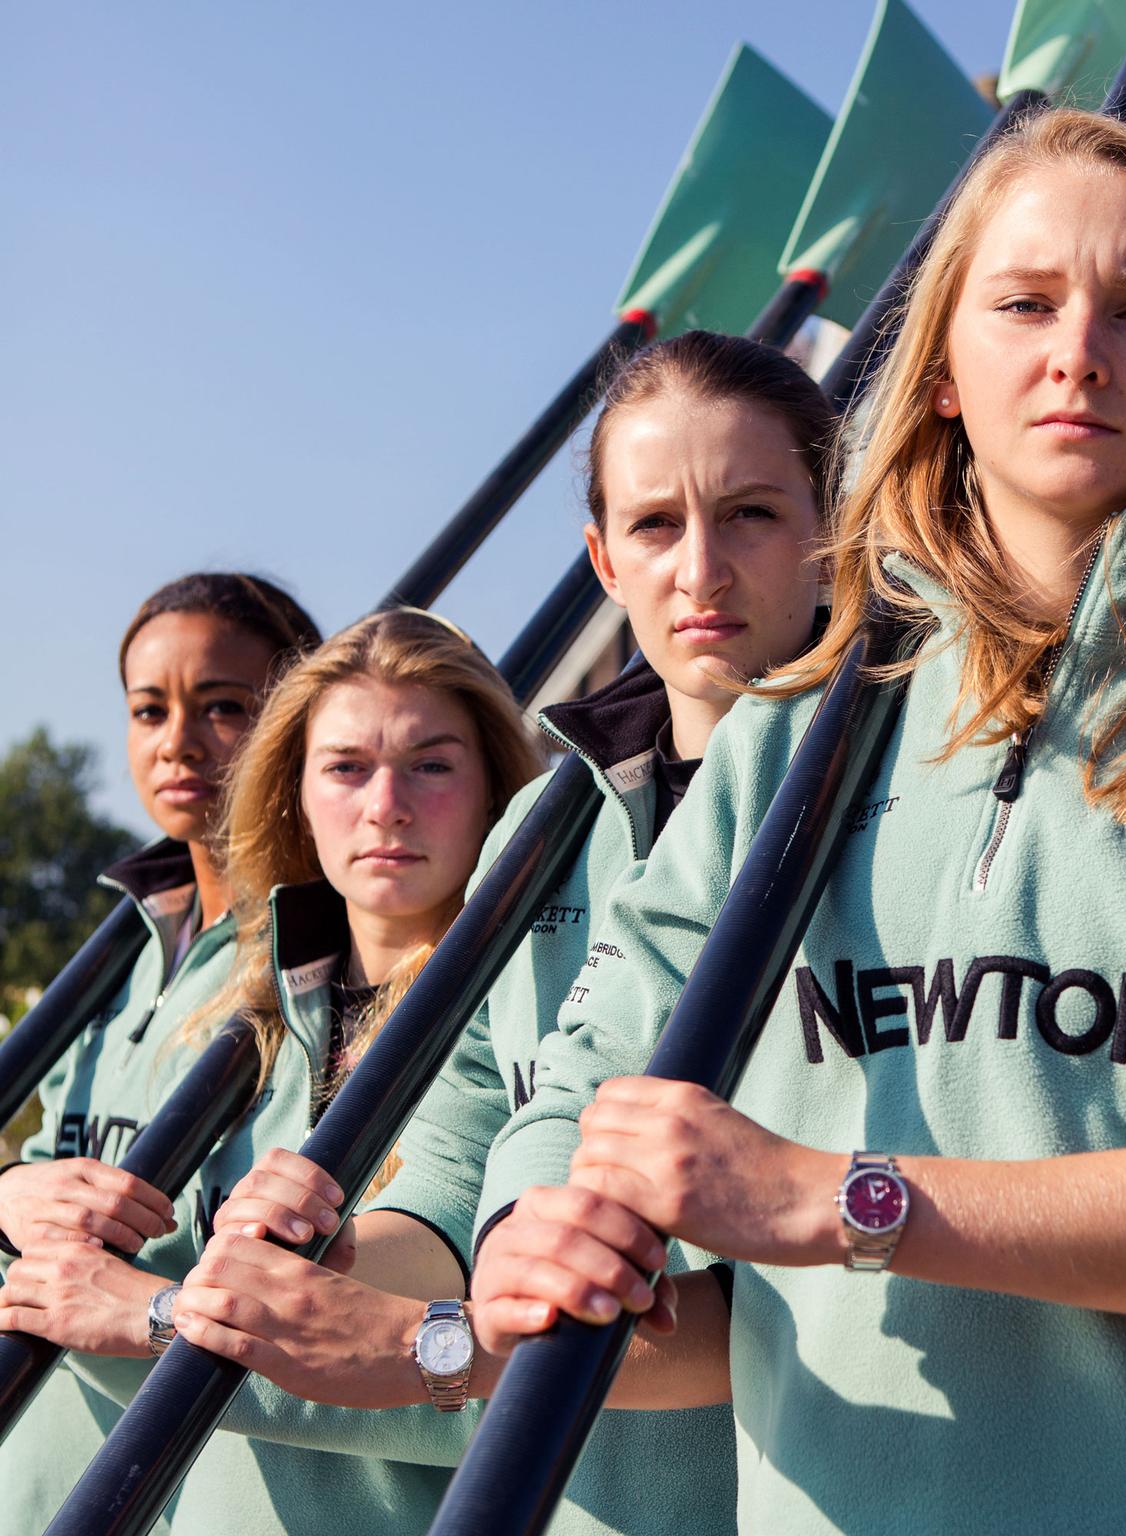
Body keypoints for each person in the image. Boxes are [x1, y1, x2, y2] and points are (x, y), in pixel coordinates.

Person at [463, 110, 1126, 1535]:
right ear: (944, 368)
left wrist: (844, 1200)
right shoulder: (792, 735)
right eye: (1023, 304)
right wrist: (528, 1225)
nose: (1078, 350)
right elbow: (593, 1064)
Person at [169, 332, 836, 1534]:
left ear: (829, 527)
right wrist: (307, 1270)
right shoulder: (548, 820)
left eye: (748, 513)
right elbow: (468, 1141)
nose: (701, 571)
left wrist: (429, 1343)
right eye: (652, 526)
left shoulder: (887, 789)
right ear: (599, 559)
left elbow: (798, 1297)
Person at [0, 572, 320, 1534]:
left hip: (188, 1477)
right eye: (150, 709)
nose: (177, 741)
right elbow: (44, 1174)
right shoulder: (122, 946)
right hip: (33, 1464)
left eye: (224, 706)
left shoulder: (321, 950)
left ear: (295, 717)